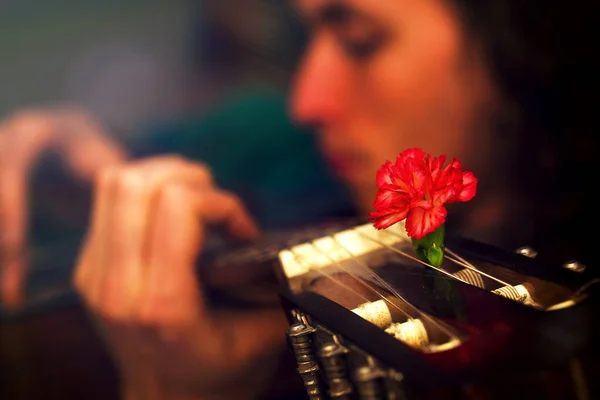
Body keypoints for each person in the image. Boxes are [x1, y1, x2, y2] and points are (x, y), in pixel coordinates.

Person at [0, 0, 594, 399]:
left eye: (360, 40)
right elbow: (159, 150)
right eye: (306, 37)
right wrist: (71, 158)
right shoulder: (288, 150)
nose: (306, 102)